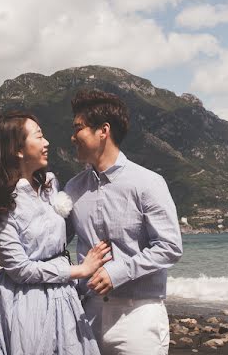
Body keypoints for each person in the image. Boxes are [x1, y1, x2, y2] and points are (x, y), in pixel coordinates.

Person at [0, 111, 109, 355]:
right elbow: (19, 269)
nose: (47, 142)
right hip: (27, 299)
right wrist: (79, 270)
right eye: (39, 136)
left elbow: (54, 240)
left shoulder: (50, 184)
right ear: (18, 150)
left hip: (63, 294)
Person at [65, 89, 183, 354]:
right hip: (87, 314)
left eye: (78, 128)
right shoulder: (73, 188)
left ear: (103, 131)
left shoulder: (148, 183)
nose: (72, 137)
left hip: (138, 317)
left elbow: (170, 247)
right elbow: (55, 243)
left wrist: (117, 272)